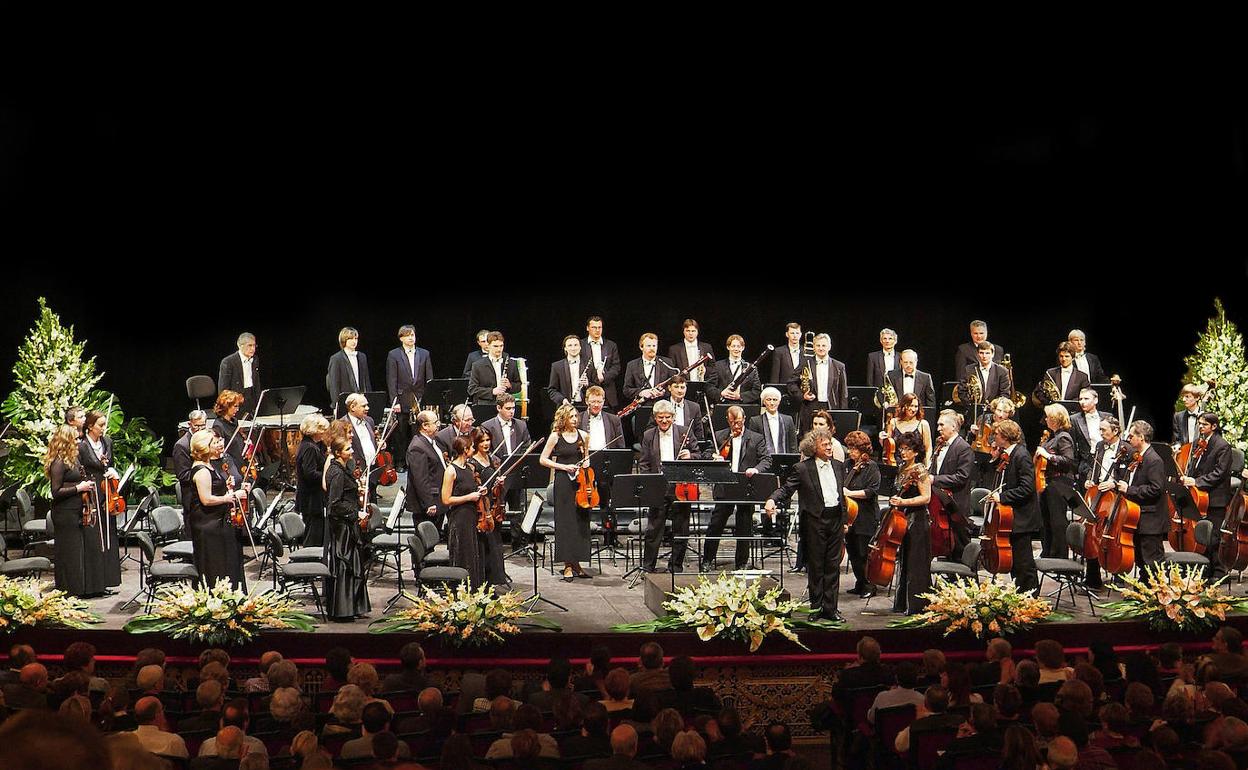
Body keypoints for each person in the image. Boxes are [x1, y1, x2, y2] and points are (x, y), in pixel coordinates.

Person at [765, 427, 846, 620]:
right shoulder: (802, 468)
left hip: (835, 519)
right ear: (813, 447)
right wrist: (771, 500)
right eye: (824, 444)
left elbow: (840, 494)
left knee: (833, 565)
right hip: (815, 521)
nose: (828, 447)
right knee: (817, 566)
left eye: (829, 443)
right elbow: (786, 489)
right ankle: (816, 608)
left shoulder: (838, 465)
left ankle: (831, 608)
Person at [704, 405, 771, 571]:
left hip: (745, 486)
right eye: (733, 423)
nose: (736, 426)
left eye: (739, 422)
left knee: (745, 525)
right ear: (728, 420)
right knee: (716, 524)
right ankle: (707, 560)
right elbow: (706, 453)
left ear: (744, 419)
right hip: (725, 485)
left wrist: (756, 469)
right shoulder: (720, 436)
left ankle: (741, 563)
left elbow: (766, 460)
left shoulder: (756, 438)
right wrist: (713, 457)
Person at [45, 424, 106, 597]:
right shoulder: (58, 461)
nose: (79, 441)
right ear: (66, 441)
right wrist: (79, 488)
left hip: (76, 510)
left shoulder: (73, 459)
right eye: (76, 438)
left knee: (76, 552)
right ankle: (67, 591)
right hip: (65, 513)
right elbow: (55, 492)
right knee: (69, 553)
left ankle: (78, 589)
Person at [638, 400, 699, 573]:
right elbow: (644, 463)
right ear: (655, 418)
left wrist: (691, 455)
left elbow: (698, 454)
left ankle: (676, 566)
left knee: (681, 528)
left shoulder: (684, 432)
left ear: (673, 417)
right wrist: (649, 483)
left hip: (681, 487)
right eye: (660, 418)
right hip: (658, 486)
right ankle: (648, 566)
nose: (664, 421)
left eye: (667, 417)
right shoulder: (649, 435)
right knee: (653, 530)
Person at [187, 431, 249, 590]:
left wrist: (227, 489)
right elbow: (206, 499)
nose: (219, 445)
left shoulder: (209, 465)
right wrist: (229, 497)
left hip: (216, 521)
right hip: (208, 525)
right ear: (204, 448)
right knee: (215, 564)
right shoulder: (201, 471)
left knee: (226, 561)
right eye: (214, 443)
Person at [540, 403, 594, 581]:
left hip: (580, 483)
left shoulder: (584, 436)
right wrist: (563, 466)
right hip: (563, 482)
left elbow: (586, 459)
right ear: (563, 418)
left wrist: (585, 463)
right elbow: (543, 460)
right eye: (571, 417)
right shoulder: (555, 436)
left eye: (576, 416)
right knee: (565, 522)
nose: (575, 419)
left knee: (580, 521)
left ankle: (578, 563)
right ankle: (567, 565)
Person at [987, 420, 1040, 595]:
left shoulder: (1021, 455)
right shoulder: (1009, 454)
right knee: (1016, 563)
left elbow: (1027, 488)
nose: (994, 437)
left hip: (1022, 518)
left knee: (1023, 562)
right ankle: (1019, 596)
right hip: (1013, 517)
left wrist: (1001, 497)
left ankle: (1031, 598)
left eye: (996, 434)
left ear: (1005, 437)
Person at [1179, 412, 1233, 580]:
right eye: (1199, 424)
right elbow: (1194, 467)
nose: (1200, 427)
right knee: (1203, 534)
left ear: (1214, 427)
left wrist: (1195, 481)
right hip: (1200, 496)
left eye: (1204, 424)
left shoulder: (1222, 446)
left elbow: (1219, 473)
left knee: (1214, 535)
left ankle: (1218, 572)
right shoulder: (1198, 444)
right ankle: (1204, 568)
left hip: (1216, 496)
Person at [324, 436, 370, 621]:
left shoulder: (342, 469)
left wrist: (356, 491)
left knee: (352, 564)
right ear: (338, 453)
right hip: (342, 527)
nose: (351, 451)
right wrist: (355, 513)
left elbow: (344, 493)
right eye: (348, 449)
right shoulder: (337, 473)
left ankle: (353, 606)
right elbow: (334, 504)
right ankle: (343, 609)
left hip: (347, 525)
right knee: (345, 564)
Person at [888, 432, 933, 615]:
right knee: (904, 561)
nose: (903, 452)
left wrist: (903, 503)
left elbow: (926, 497)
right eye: (901, 449)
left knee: (916, 563)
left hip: (918, 520)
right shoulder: (902, 468)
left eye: (907, 449)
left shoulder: (920, 469)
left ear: (916, 452)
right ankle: (902, 603)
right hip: (903, 519)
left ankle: (916, 605)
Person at [78, 409, 121, 590]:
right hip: (91, 494)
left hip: (106, 492)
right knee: (95, 537)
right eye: (100, 425)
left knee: (109, 533)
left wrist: (111, 471)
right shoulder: (81, 446)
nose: (104, 428)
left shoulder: (107, 441)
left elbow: (108, 463)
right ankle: (95, 583)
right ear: (90, 426)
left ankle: (108, 580)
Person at [1115, 420, 1166, 572]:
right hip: (1138, 517)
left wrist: (1129, 489)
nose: (1128, 439)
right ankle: (1142, 591)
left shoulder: (1154, 460)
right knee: (1141, 560)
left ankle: (1154, 593)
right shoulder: (1137, 457)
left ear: (1141, 437)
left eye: (1131, 436)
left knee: (1151, 562)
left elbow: (1156, 489)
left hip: (1150, 520)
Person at [385, 324, 433, 471]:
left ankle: (416, 462)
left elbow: (429, 377)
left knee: (417, 432)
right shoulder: (394, 355)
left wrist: (428, 399)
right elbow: (391, 379)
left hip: (419, 398)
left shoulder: (424, 353)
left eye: (413, 335)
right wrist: (395, 401)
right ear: (401, 338)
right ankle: (400, 462)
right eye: (408, 335)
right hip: (402, 398)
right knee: (401, 432)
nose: (411, 338)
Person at [442, 435, 486, 588]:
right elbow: (446, 500)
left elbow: (470, 489)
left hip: (471, 516)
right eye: (472, 447)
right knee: (463, 553)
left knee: (473, 553)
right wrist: (469, 497)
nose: (474, 449)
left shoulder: (469, 468)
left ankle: (474, 588)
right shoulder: (451, 471)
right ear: (465, 450)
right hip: (459, 518)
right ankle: (461, 590)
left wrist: (479, 491)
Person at [931, 410, 974, 560]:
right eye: (938, 425)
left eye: (942, 425)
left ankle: (964, 581)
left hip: (956, 505)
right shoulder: (940, 445)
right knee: (946, 547)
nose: (938, 428)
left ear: (954, 427)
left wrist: (934, 480)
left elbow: (961, 477)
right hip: (941, 504)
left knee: (959, 547)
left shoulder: (963, 448)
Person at [1036, 404, 1077, 559]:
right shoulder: (1053, 437)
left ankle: (1059, 556)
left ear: (1055, 419)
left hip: (1059, 484)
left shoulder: (1064, 437)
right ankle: (1047, 553)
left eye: (1048, 417)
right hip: (1048, 483)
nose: (1045, 419)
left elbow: (1068, 461)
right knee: (1046, 521)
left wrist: (1047, 455)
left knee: (1057, 521)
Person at [842, 430, 881, 597]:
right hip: (850, 516)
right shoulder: (847, 465)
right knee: (852, 551)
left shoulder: (871, 467)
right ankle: (859, 582)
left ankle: (869, 585)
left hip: (866, 515)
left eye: (854, 449)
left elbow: (871, 491)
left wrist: (848, 493)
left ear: (863, 450)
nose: (850, 452)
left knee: (864, 553)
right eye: (849, 448)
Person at [467, 428, 508, 586]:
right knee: (484, 546)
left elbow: (498, 489)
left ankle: (494, 581)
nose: (486, 443)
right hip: (481, 510)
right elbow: (469, 486)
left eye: (487, 440)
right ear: (476, 443)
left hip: (494, 507)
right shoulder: (471, 463)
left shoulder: (494, 460)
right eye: (482, 441)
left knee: (495, 546)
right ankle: (482, 583)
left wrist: (500, 484)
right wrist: (478, 489)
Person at [789, 333, 848, 431]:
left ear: (829, 347)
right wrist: (802, 396)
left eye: (824, 345)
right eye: (818, 345)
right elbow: (791, 383)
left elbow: (843, 393)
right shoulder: (805, 363)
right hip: (810, 407)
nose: (821, 348)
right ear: (814, 347)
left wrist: (842, 413)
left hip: (831, 408)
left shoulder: (839, 366)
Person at [406, 409, 450, 533]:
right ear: (425, 426)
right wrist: (429, 503)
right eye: (435, 422)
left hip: (438, 499)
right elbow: (420, 479)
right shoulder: (417, 447)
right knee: (425, 542)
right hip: (428, 504)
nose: (439, 424)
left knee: (433, 538)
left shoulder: (432, 442)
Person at [295, 414, 330, 547]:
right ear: (314, 430)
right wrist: (328, 476)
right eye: (322, 429)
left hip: (314, 498)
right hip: (311, 499)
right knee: (313, 536)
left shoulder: (312, 445)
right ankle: (309, 563)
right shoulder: (309, 447)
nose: (324, 432)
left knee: (317, 533)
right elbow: (310, 473)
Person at [326, 327, 371, 417]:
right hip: (345, 402)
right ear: (344, 340)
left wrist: (368, 398)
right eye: (350, 339)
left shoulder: (362, 356)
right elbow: (334, 384)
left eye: (356, 338)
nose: (354, 341)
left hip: (360, 401)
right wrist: (336, 405)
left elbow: (366, 380)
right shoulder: (336, 358)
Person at [1070, 387, 1114, 480]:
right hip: (1086, 465)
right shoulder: (1074, 419)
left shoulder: (1107, 416)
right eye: (1080, 399)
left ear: (1095, 400)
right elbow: (1073, 446)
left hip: (1107, 460)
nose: (1082, 402)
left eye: (1086, 399)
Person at [468, 331, 522, 406]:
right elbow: (472, 389)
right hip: (486, 405)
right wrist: (492, 391)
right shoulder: (478, 365)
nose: (499, 349)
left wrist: (510, 385)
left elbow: (519, 386)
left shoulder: (511, 363)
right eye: (495, 346)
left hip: (506, 405)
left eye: (501, 346)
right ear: (488, 346)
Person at [623, 333, 674, 408]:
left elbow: (673, 386)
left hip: (663, 408)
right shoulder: (632, 365)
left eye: (654, 346)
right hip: (642, 407)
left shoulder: (667, 362)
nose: (652, 348)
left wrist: (663, 392)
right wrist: (641, 392)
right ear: (641, 347)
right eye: (648, 346)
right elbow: (626, 390)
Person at [880, 392, 932, 464]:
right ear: (903, 406)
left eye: (916, 406)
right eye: (910, 405)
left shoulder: (923, 424)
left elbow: (928, 449)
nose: (913, 409)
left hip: (916, 466)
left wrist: (927, 466)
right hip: (896, 464)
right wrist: (881, 439)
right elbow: (887, 447)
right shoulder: (893, 422)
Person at [1033, 342, 1091, 407]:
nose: (1063, 359)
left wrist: (1068, 405)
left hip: (1073, 413)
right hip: (1052, 411)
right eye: (1061, 356)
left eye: (1067, 356)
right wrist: (1049, 403)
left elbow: (1086, 395)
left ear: (1073, 357)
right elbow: (1040, 392)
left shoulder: (1082, 376)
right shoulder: (1050, 373)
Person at [584, 316, 623, 411]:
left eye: (599, 327)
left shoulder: (611, 345)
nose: (597, 330)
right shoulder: (581, 345)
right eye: (594, 327)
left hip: (607, 391)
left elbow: (616, 367)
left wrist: (603, 378)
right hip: (587, 390)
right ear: (587, 328)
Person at [708, 335, 761, 404]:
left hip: (744, 407)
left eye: (739, 346)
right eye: (733, 346)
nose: (736, 349)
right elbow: (709, 387)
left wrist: (740, 396)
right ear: (728, 347)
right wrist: (721, 393)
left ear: (743, 348)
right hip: (723, 405)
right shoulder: (718, 366)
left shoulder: (751, 368)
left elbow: (757, 391)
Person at [218, 332, 260, 416]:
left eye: (254, 345)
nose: (253, 349)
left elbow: (256, 382)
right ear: (240, 346)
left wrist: (259, 402)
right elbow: (223, 389)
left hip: (251, 398)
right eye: (249, 345)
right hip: (235, 400)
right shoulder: (228, 362)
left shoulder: (255, 359)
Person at [547, 334, 592, 409]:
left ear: (580, 347)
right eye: (570, 345)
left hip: (586, 407)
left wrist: (587, 384)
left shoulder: (589, 364)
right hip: (566, 407)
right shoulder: (557, 366)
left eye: (576, 345)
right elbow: (552, 390)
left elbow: (597, 387)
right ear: (565, 348)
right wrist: (563, 400)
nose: (573, 348)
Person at [749, 386, 797, 455]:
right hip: (763, 461)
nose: (772, 403)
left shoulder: (788, 420)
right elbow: (753, 445)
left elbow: (793, 444)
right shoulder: (755, 421)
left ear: (779, 402)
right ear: (764, 402)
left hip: (784, 460)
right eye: (769, 399)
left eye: (775, 400)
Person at [482, 393, 531, 460]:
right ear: (499, 408)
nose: (512, 411)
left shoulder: (521, 425)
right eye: (508, 408)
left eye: (513, 408)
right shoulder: (487, 426)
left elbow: (526, 446)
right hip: (496, 466)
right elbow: (486, 450)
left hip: (517, 465)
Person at [669, 318, 715, 386]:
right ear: (683, 332)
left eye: (693, 331)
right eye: (687, 331)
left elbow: (714, 367)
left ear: (697, 332)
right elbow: (671, 371)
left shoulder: (707, 347)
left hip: (702, 385)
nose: (690, 333)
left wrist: (705, 370)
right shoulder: (674, 349)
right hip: (682, 386)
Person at [174, 409, 209, 496]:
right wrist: (204, 475)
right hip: (192, 494)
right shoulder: (182, 445)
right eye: (196, 426)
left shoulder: (207, 440)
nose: (200, 429)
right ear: (190, 424)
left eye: (203, 426)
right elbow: (183, 475)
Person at [211, 389, 250, 468]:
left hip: (240, 461)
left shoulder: (234, 421)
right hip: (231, 465)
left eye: (238, 406)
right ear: (226, 406)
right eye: (235, 406)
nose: (238, 409)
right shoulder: (218, 426)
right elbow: (221, 451)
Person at [771, 322, 805, 389]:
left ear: (801, 334)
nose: (795, 336)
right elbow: (775, 376)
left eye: (797, 333)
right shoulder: (779, 351)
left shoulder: (806, 351)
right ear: (787, 334)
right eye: (792, 333)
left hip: (802, 392)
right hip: (785, 390)